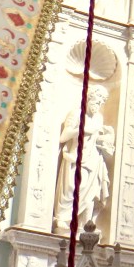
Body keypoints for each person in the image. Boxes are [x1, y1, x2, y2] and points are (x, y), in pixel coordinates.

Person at [53, 86, 115, 234]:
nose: (98, 104)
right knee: (72, 188)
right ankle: (63, 217)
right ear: (89, 98)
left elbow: (95, 137)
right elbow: (64, 136)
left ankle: (85, 224)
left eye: (101, 102)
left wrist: (107, 139)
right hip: (75, 157)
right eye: (96, 100)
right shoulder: (76, 114)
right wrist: (82, 130)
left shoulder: (99, 118)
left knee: (90, 193)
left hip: (93, 158)